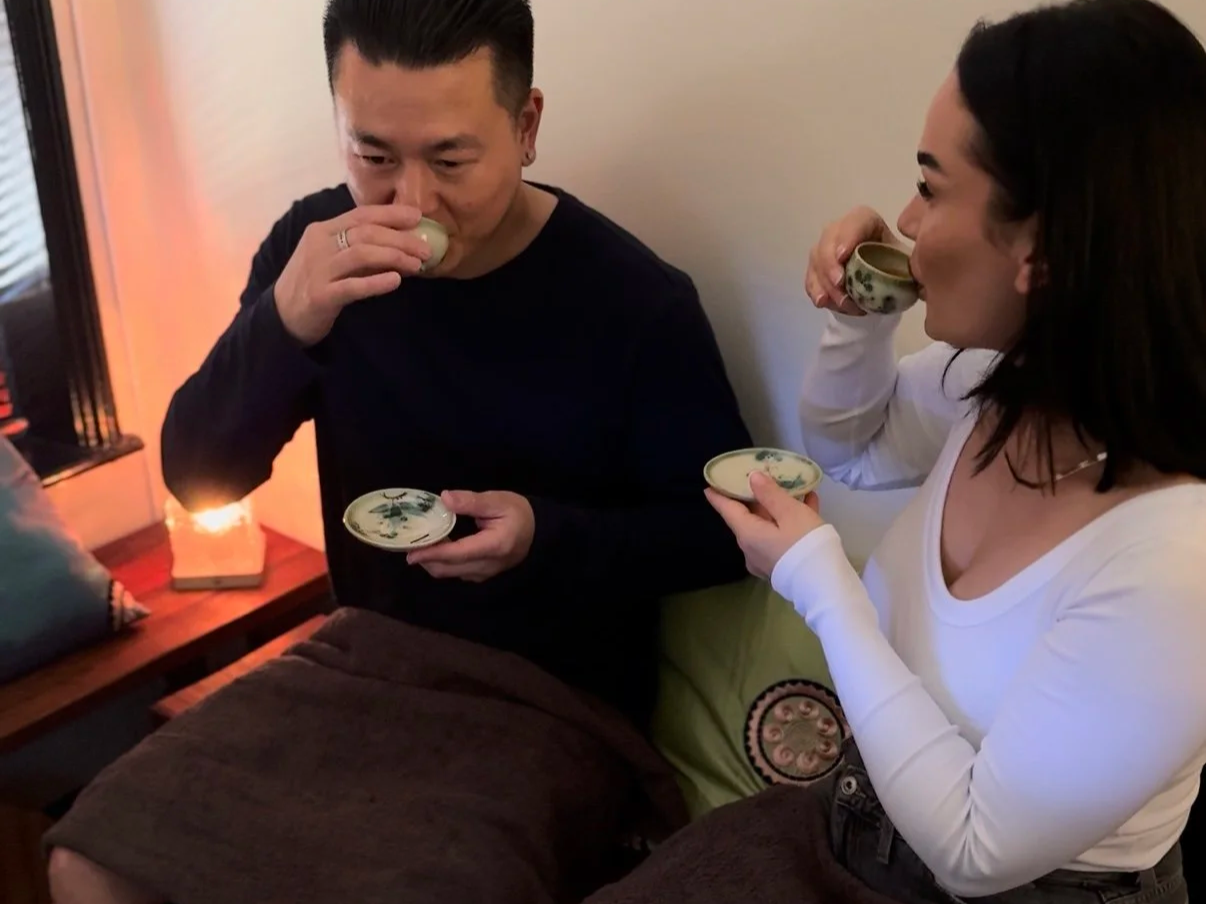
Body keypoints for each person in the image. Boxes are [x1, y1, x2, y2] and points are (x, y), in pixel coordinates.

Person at [45, 0, 752, 901]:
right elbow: (198, 474)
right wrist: (285, 319)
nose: (411, 202)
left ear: (526, 125)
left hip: (553, 707)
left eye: (450, 160)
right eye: (373, 157)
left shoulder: (634, 302)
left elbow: (720, 539)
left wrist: (548, 536)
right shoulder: (319, 254)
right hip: (357, 659)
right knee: (93, 856)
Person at [592, 1, 1206, 903]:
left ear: (1040, 243)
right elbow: (853, 448)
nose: (908, 220)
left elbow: (975, 849)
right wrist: (863, 313)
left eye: (933, 185)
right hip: (859, 826)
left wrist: (816, 576)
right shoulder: (1010, 385)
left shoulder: (1176, 563)